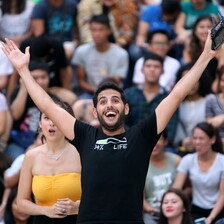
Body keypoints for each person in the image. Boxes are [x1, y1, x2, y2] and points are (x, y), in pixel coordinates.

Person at [1, 29, 222, 223]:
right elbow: (47, 106)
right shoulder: (85, 135)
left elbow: (176, 95)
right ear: (95, 112)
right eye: (103, 101)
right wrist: (22, 70)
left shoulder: (142, 135)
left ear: (125, 109)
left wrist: (206, 55)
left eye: (115, 100)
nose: (110, 104)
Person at [17, 95, 81, 223]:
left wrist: (76, 206)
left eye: (57, 118)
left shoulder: (81, 152)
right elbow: (21, 202)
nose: (52, 123)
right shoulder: (31, 156)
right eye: (47, 118)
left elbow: (99, 195)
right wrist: (45, 210)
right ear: (40, 123)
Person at [173, 122, 224, 224]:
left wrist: (211, 218)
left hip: (219, 209)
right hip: (196, 209)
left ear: (212, 139)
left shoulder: (222, 161)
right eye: (195, 138)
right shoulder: (187, 160)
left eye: (201, 138)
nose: (197, 142)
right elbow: (176, 188)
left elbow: (223, 195)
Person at [125, 52, 178, 149]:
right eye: (148, 66)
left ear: (162, 71)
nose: (152, 69)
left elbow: (171, 129)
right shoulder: (128, 94)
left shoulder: (169, 98)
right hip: (130, 142)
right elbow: (122, 123)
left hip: (159, 145)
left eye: (156, 66)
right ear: (142, 70)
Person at [72, 14, 128, 98]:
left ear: (109, 30)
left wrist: (102, 93)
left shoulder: (121, 54)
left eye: (101, 30)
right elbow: (81, 81)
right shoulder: (81, 51)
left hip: (113, 93)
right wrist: (96, 91)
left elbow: (116, 81)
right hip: (90, 93)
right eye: (93, 30)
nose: (96, 34)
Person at [143, 130, 181, 224]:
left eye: (157, 140)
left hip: (176, 210)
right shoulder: (140, 165)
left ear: (165, 141)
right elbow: (138, 195)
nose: (153, 144)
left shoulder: (176, 161)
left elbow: (188, 187)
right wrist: (150, 209)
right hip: (152, 213)